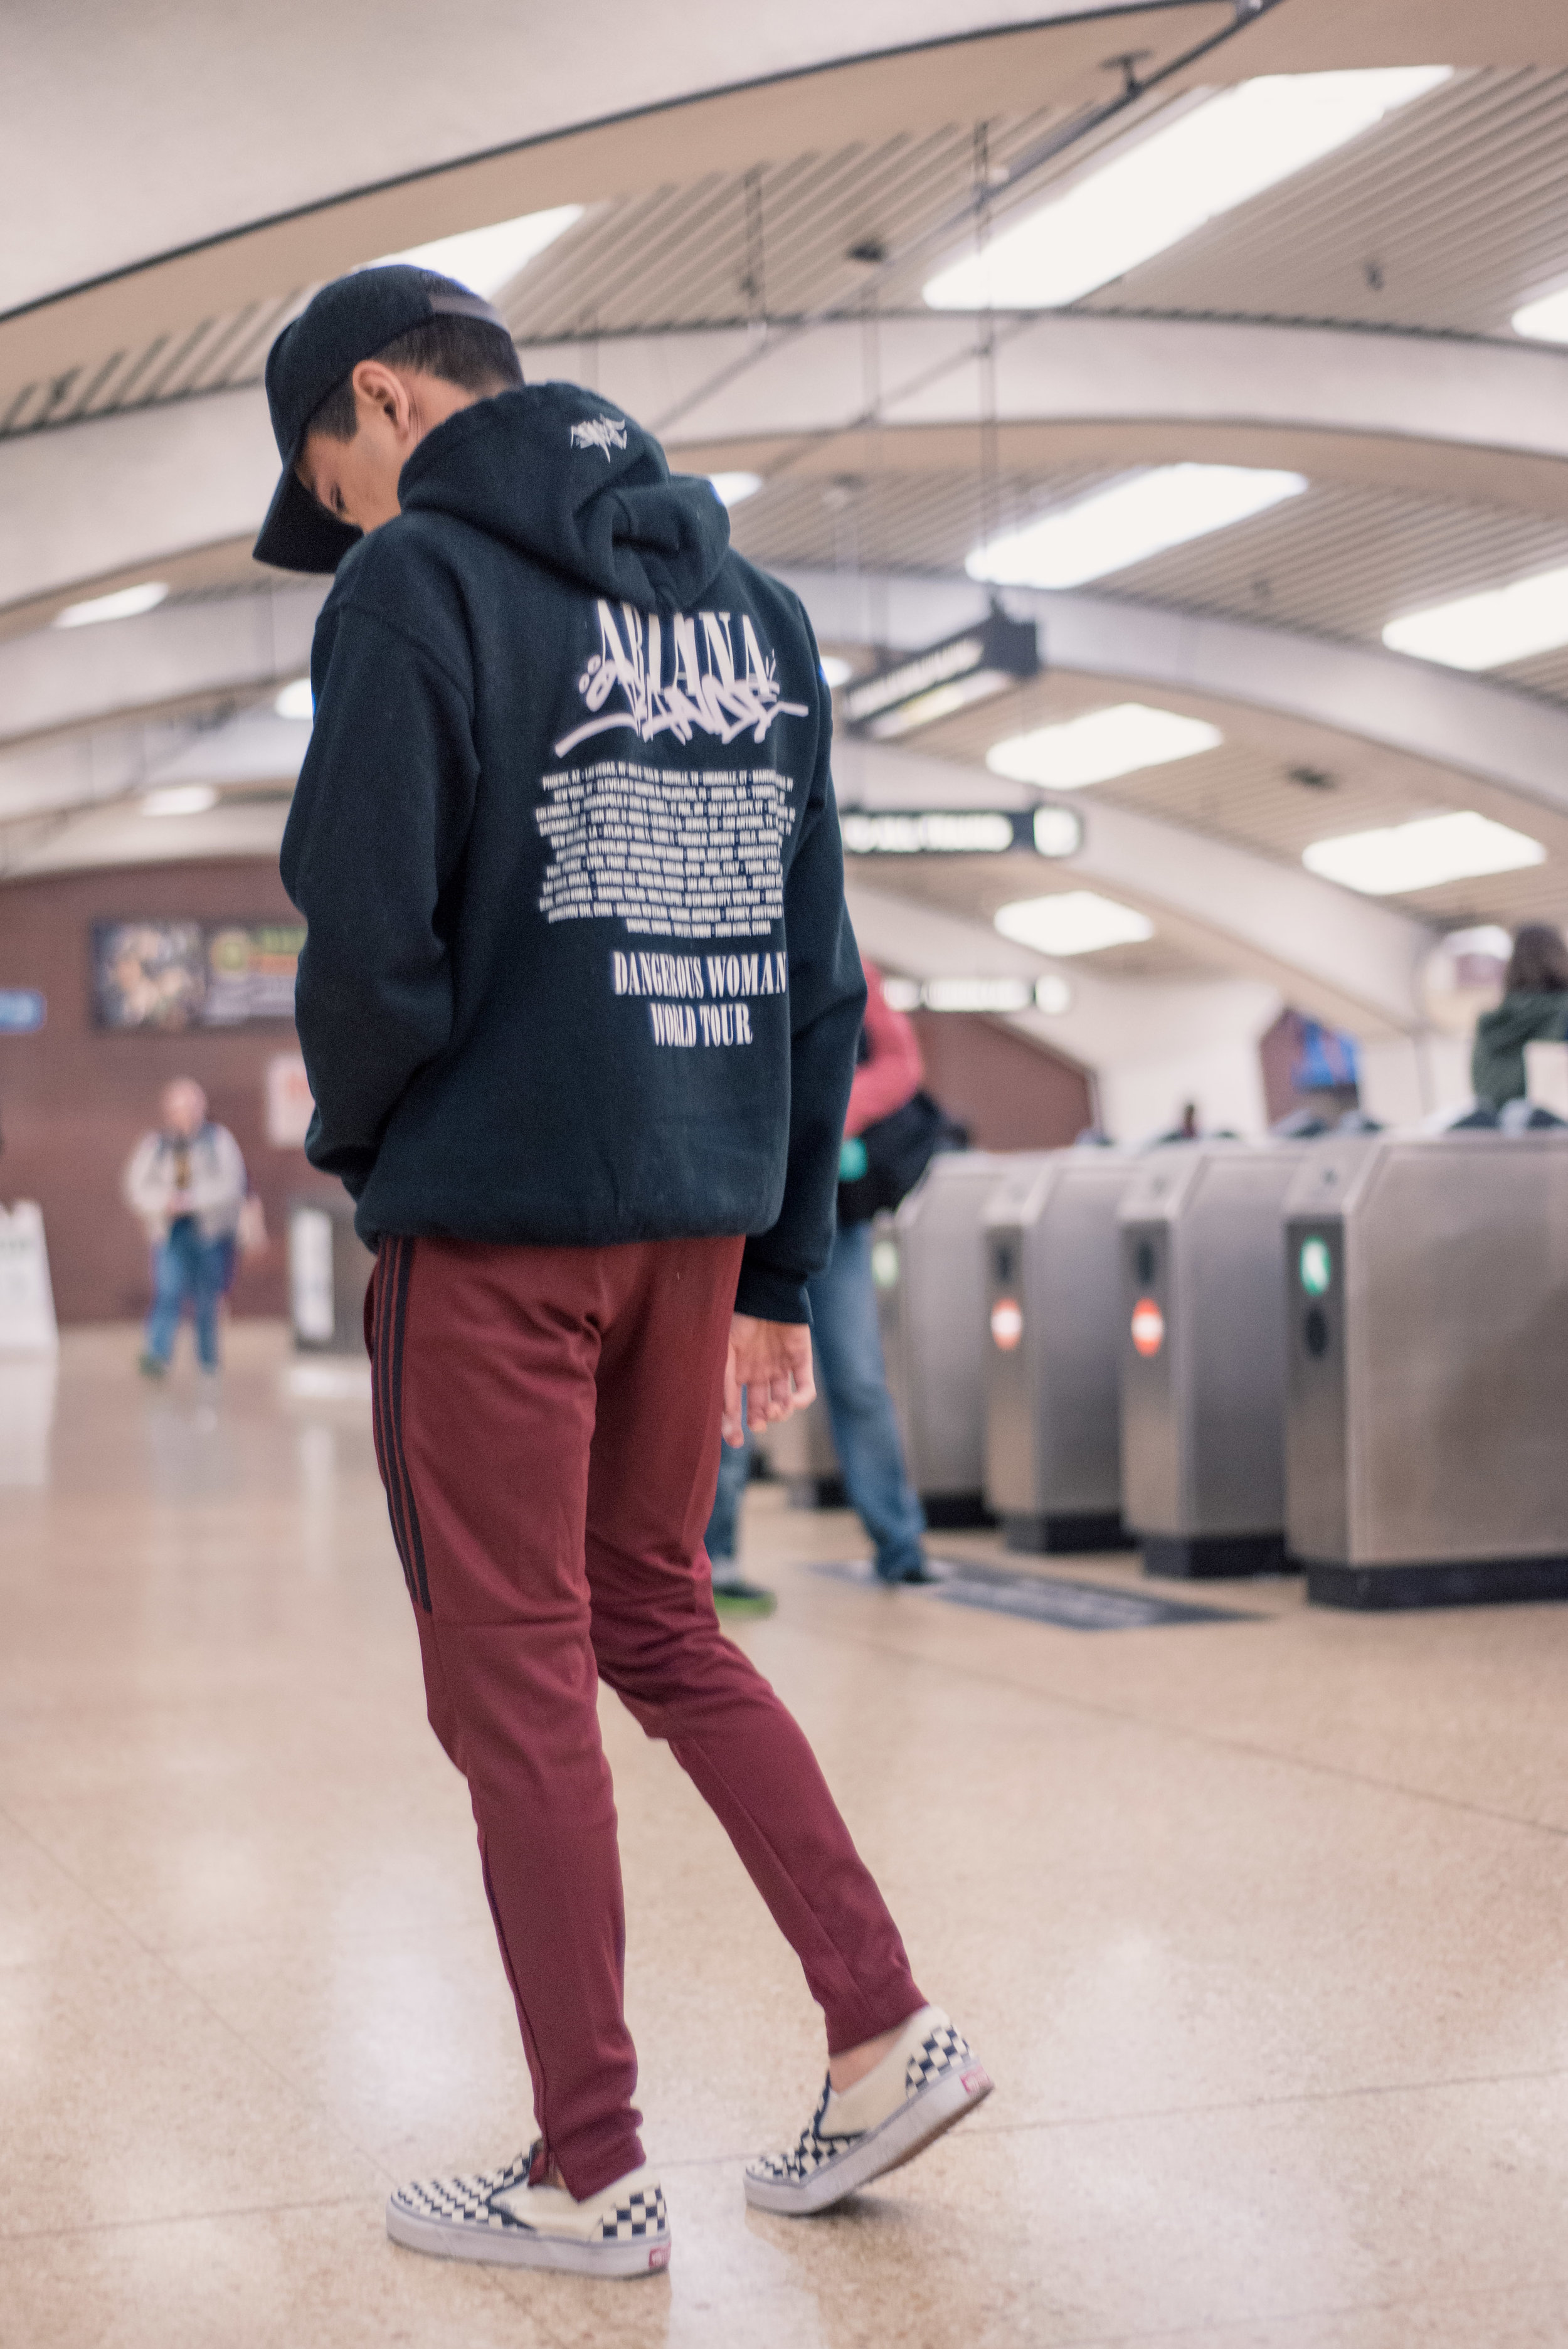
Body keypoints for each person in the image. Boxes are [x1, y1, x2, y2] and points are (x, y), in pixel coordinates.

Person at [257, 265, 990, 2281]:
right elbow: (814, 970)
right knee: (659, 1621)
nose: (342, 519)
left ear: (385, 403)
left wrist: (366, 1147)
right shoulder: (750, 615)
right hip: (692, 1221)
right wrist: (771, 1263)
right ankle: (881, 2026)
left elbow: (365, 936)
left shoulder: (413, 590)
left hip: (495, 1221)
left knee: (514, 1683)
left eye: (329, 476)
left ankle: (589, 2168)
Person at [122, 1079, 246, 1377]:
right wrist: (165, 1202)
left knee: (207, 1299)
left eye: (191, 1107)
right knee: (167, 1292)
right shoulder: (156, 1145)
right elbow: (135, 1187)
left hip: (210, 1234)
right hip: (170, 1234)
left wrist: (193, 1200)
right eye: (179, 1108)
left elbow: (232, 1185)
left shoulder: (219, 1141)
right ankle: (156, 1357)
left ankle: (207, 1362)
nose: (185, 1114)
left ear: (201, 1108)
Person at [1471, 923, 1568, 1109]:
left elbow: (1482, 1089)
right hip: (1555, 1128)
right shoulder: (1563, 1012)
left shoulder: (1491, 1023)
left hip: (1500, 1131)